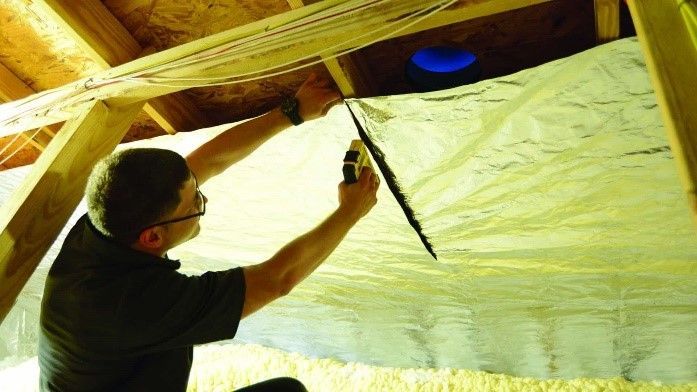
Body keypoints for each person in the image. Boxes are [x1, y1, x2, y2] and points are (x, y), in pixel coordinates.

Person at [38, 74, 380, 391]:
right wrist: (350, 212)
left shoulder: (108, 220)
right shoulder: (131, 306)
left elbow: (209, 162)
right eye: (194, 205)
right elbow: (277, 279)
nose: (204, 199)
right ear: (152, 237)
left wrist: (292, 112)